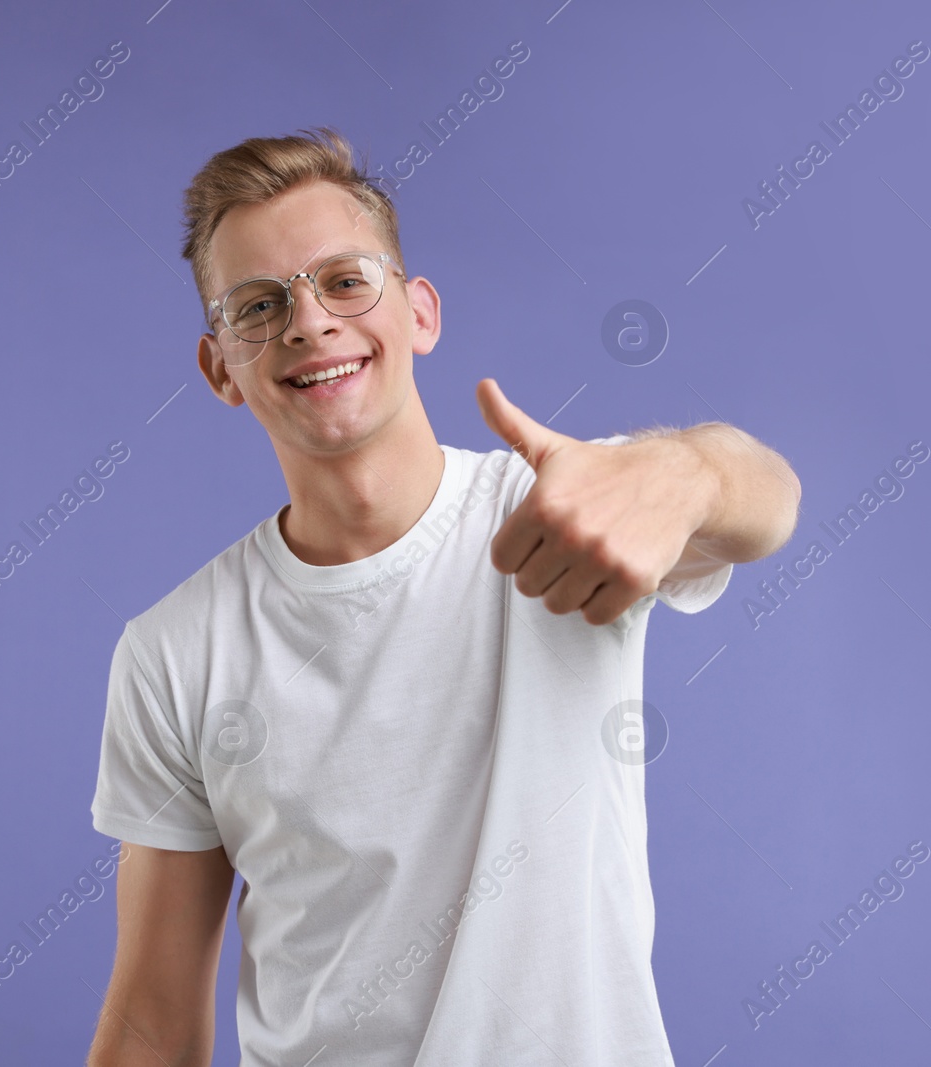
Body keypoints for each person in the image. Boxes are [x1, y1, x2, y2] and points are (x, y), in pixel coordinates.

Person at [86, 126, 800, 1066]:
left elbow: (767, 498)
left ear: (418, 313)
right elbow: (152, 1018)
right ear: (222, 367)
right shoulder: (174, 651)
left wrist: (683, 470)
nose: (309, 323)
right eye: (258, 306)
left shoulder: (566, 518)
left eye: (344, 281)